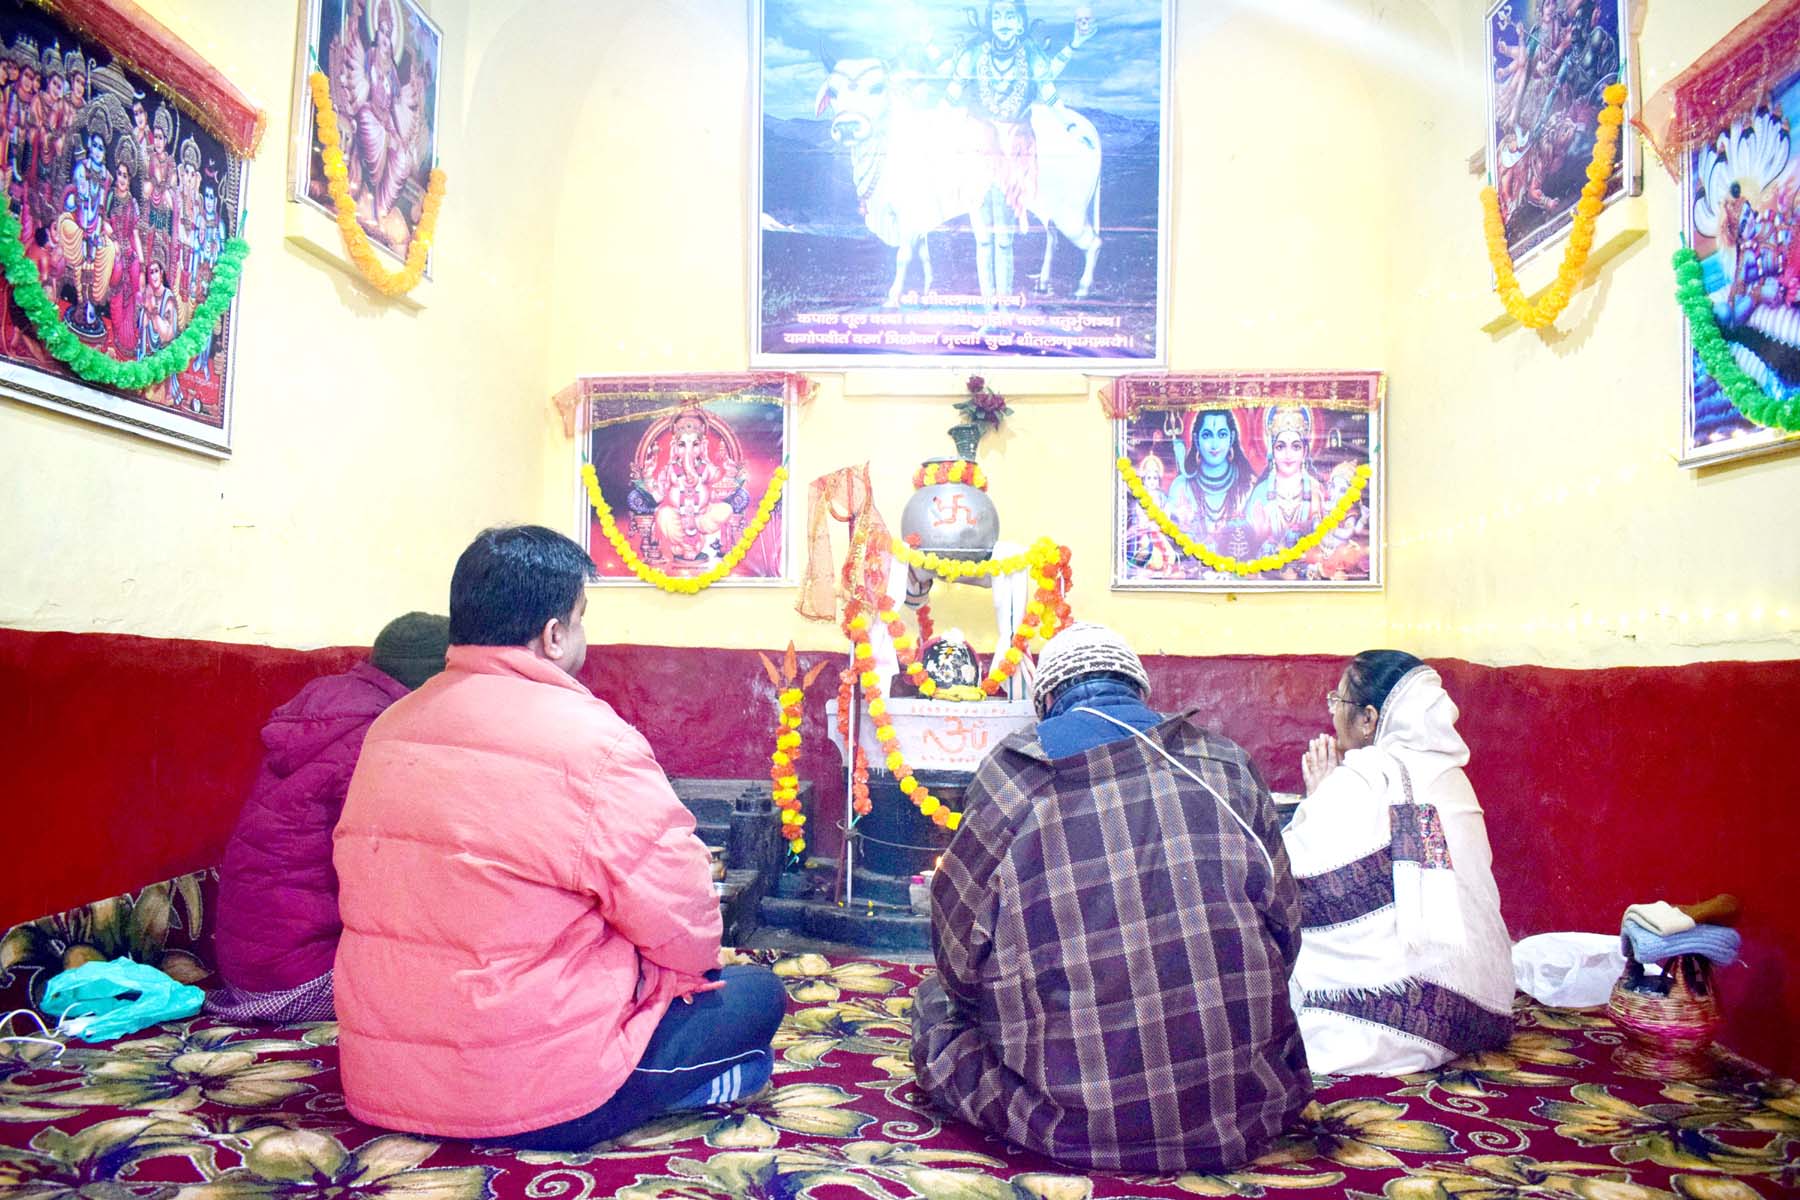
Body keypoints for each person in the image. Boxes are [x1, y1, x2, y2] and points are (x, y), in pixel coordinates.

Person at [333, 525, 784, 1148]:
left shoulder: (390, 728)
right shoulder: (594, 743)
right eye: (580, 617)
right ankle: (686, 1087)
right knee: (758, 994)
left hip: (381, 1082)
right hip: (537, 1094)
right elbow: (688, 925)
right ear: (554, 635)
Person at [913, 622, 1311, 1172]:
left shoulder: (1016, 776)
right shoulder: (1227, 764)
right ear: (1139, 691)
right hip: (1242, 1103)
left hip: (1074, 1120)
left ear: (1047, 699)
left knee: (936, 1009)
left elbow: (957, 963)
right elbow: (1287, 932)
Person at [209, 611, 450, 1025]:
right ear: (433, 685)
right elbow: (393, 881)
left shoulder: (327, 710)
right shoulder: (375, 739)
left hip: (250, 969)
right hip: (302, 983)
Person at [1283, 651, 1514, 1075]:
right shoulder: (1451, 777)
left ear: (1369, 718)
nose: (1333, 714)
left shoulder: (1367, 775)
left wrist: (1318, 797)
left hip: (1397, 1016)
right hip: (1483, 1005)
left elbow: (1295, 877)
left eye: (1339, 701)